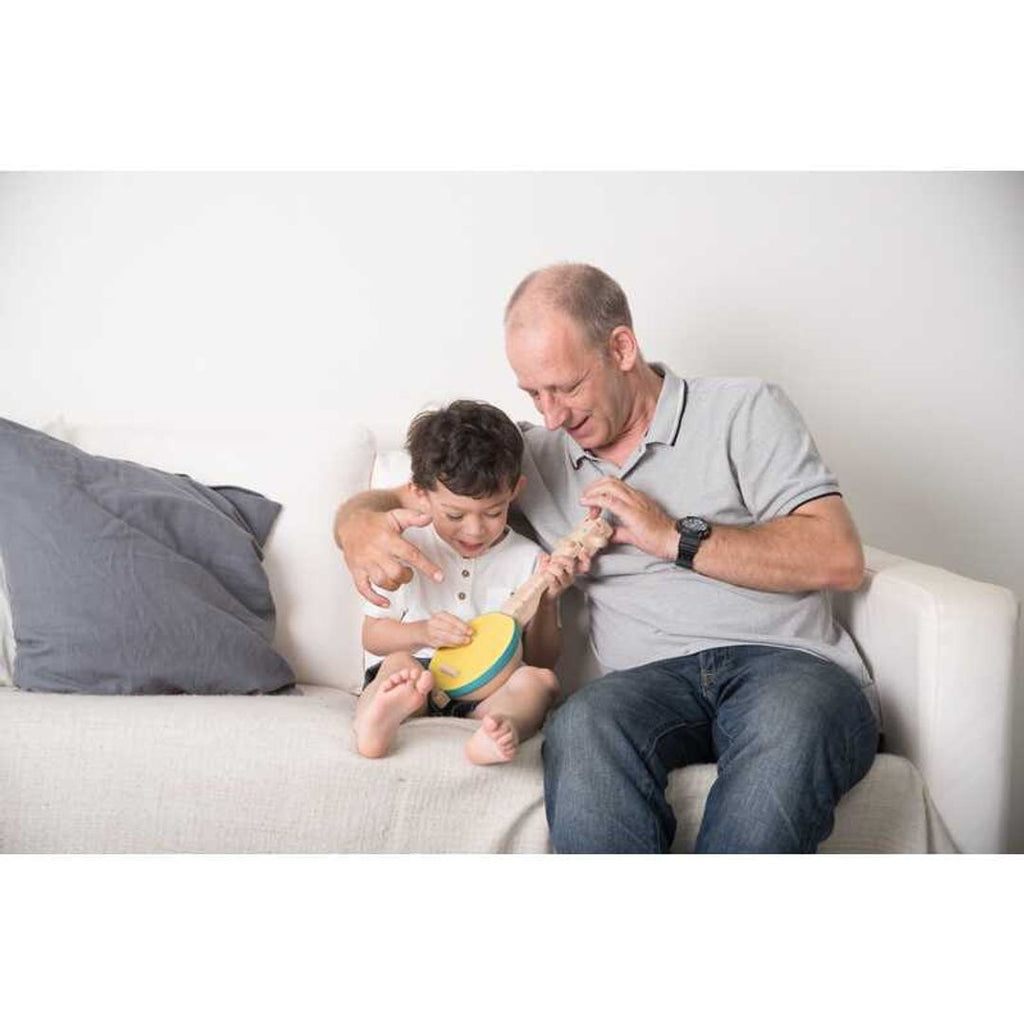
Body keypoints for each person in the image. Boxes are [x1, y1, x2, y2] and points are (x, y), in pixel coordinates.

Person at [335, 264, 880, 852]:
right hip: (643, 687)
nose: (551, 416)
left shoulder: (743, 411)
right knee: (584, 725)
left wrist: (671, 534)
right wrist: (356, 525)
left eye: (565, 388)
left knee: (787, 734)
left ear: (621, 347)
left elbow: (837, 555)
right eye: (532, 394)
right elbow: (408, 494)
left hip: (786, 669)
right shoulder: (535, 456)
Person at [353, 399, 577, 765]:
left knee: (539, 681)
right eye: (455, 514)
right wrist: (423, 632)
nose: (475, 530)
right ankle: (373, 723)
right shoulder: (406, 546)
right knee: (398, 665)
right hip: (422, 675)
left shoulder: (529, 559)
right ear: (421, 494)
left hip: (491, 687)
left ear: (515, 491)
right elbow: (373, 635)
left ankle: (497, 728)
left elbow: (542, 658)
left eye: (493, 512)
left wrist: (549, 601)